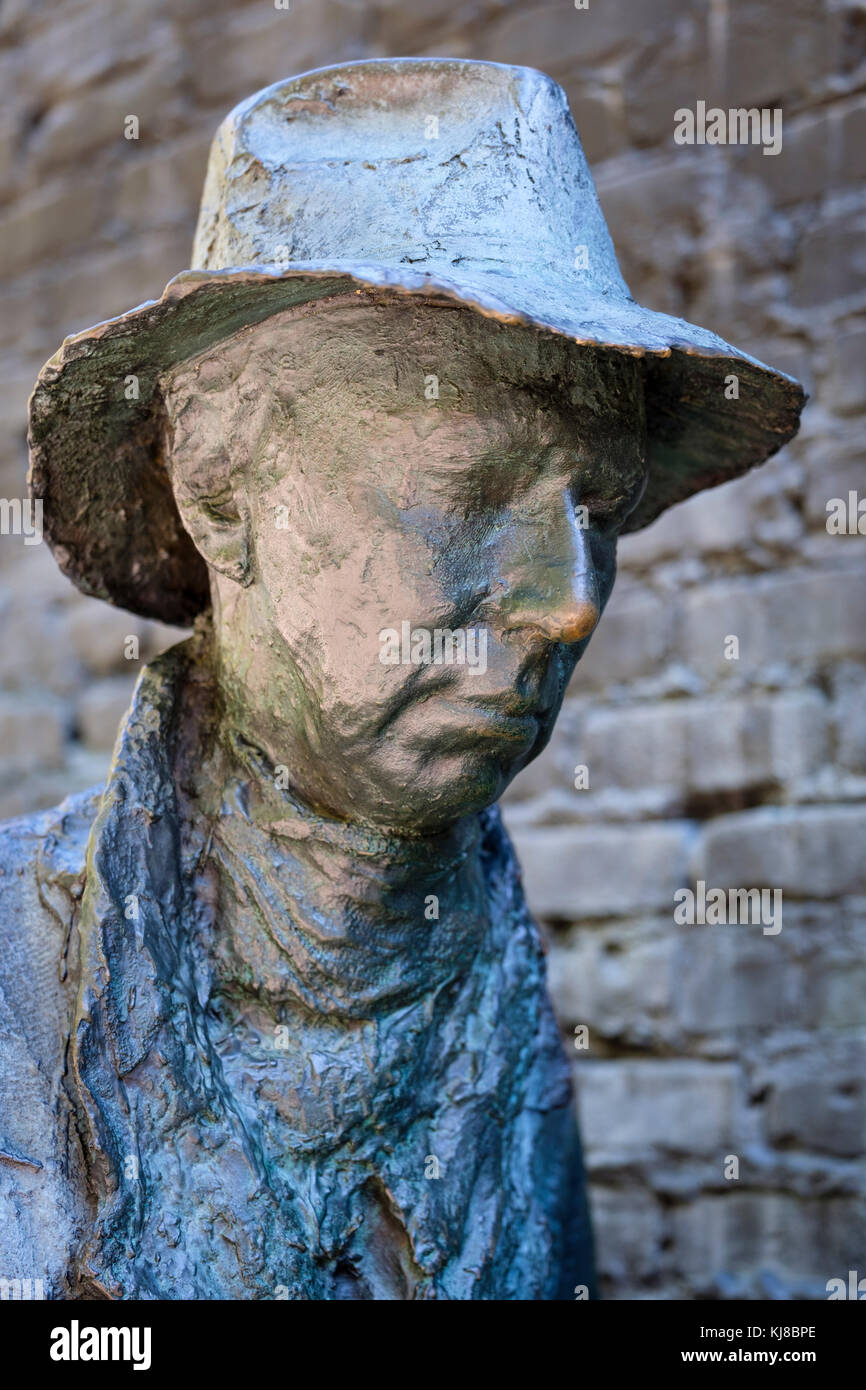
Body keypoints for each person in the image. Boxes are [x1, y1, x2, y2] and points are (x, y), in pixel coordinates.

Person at [1, 58, 803, 1300]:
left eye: (600, 504)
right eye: (468, 492)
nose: (572, 597)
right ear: (221, 494)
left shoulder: (495, 984)